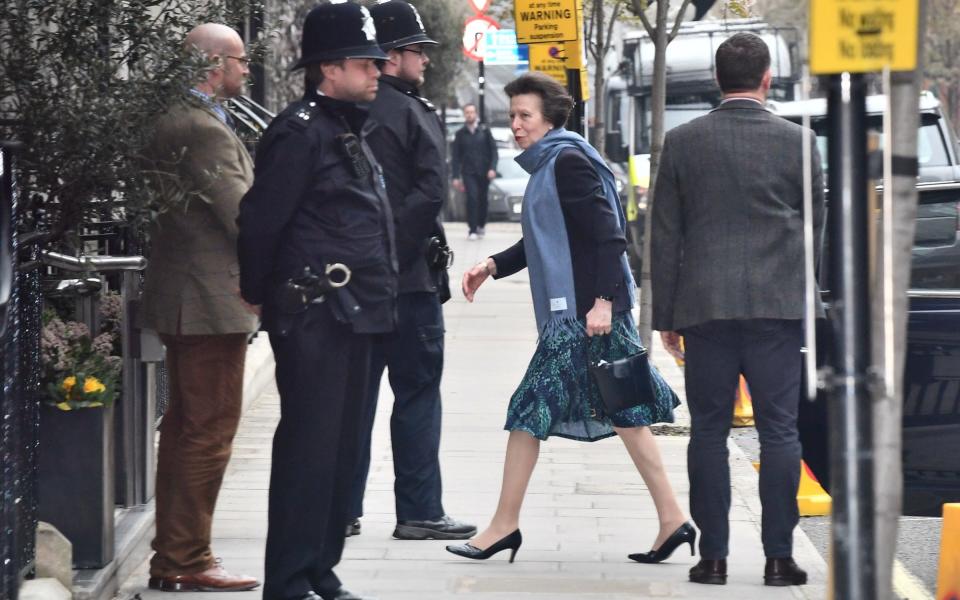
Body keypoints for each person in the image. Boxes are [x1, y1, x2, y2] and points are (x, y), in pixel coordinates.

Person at [446, 72, 691, 565]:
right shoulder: (553, 162)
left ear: (550, 118)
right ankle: (673, 520)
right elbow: (546, 242)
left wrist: (602, 300)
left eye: (524, 116)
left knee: (529, 411)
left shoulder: (568, 162)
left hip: (585, 318)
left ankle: (503, 526)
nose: (515, 125)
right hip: (586, 316)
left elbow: (607, 234)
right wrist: (493, 265)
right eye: (512, 115)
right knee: (625, 415)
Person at [650, 32, 825, 587]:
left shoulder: (683, 142)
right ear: (767, 78)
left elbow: (664, 235)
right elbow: (815, 229)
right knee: (779, 431)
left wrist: (666, 317)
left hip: (705, 309)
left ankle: (714, 558)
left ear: (716, 80)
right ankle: (779, 558)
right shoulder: (798, 142)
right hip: (776, 310)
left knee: (707, 432)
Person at [236, 4, 395, 599]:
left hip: (361, 313)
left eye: (378, 60)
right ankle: (288, 578)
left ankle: (319, 567)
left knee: (343, 449)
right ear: (329, 68)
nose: (377, 71)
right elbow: (260, 220)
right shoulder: (299, 131)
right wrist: (258, 293)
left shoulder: (347, 126)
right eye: (365, 62)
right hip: (317, 315)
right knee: (310, 448)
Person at [347, 0, 474, 542]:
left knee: (354, 398)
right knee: (417, 392)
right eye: (418, 51)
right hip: (408, 283)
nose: (424, 60)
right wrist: (394, 248)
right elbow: (429, 192)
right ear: (392, 55)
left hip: (355, 283)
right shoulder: (413, 113)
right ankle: (419, 510)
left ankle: (342, 508)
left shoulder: (348, 110)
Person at [140, 23, 260, 593]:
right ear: (214, 64)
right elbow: (244, 217)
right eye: (240, 60)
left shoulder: (178, 119)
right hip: (210, 301)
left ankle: (176, 557)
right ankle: (187, 559)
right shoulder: (201, 129)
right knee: (207, 431)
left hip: (187, 297)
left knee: (189, 427)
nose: (247, 70)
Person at [450, 102, 497, 240]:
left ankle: (481, 224)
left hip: (484, 172)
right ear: (464, 115)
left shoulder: (485, 131)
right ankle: (472, 229)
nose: (470, 115)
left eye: (472, 112)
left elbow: (494, 152)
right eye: (467, 112)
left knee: (483, 200)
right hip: (468, 172)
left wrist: (492, 168)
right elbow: (456, 157)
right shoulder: (460, 134)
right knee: (472, 198)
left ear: (475, 114)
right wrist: (455, 176)